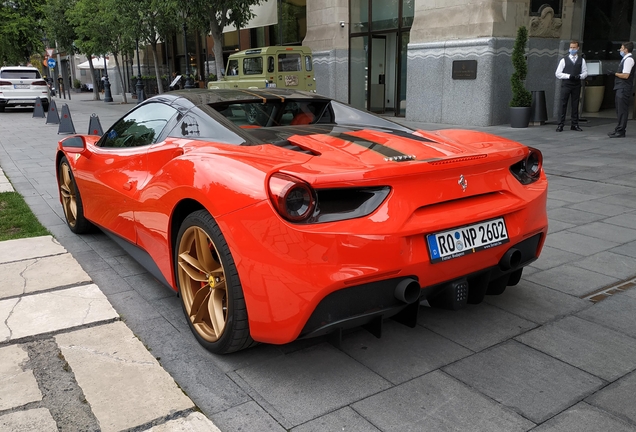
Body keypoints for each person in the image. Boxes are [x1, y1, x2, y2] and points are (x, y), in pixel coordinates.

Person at [555, 40, 588, 132]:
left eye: (574, 47)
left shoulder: (582, 60)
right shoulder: (564, 60)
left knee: (575, 104)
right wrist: (568, 76)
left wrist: (580, 76)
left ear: (578, 48)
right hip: (566, 84)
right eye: (571, 47)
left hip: (576, 84)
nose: (572, 49)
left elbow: (585, 72)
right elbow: (558, 73)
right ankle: (560, 124)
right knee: (563, 104)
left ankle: (574, 124)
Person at [608, 42, 634, 138]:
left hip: (623, 87)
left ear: (626, 49)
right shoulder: (625, 59)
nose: (620, 49)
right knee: (619, 109)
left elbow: (626, 75)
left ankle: (621, 130)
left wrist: (615, 74)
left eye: (622, 48)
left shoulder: (628, 60)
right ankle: (618, 128)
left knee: (622, 109)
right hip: (620, 87)